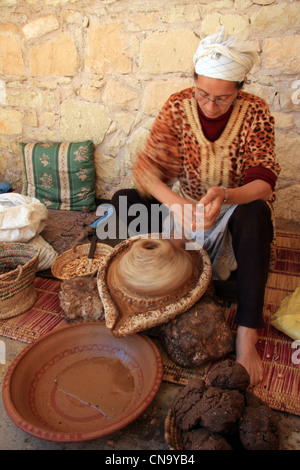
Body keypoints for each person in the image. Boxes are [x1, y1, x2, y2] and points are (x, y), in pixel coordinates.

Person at [111, 27, 281, 386]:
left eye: (222, 98)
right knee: (123, 202)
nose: (209, 104)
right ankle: (174, 267)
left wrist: (226, 195)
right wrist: (178, 205)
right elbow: (147, 170)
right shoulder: (178, 105)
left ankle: (246, 334)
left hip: (231, 216)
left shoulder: (255, 111)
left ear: (241, 86)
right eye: (202, 93)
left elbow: (264, 184)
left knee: (256, 216)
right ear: (193, 82)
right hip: (185, 212)